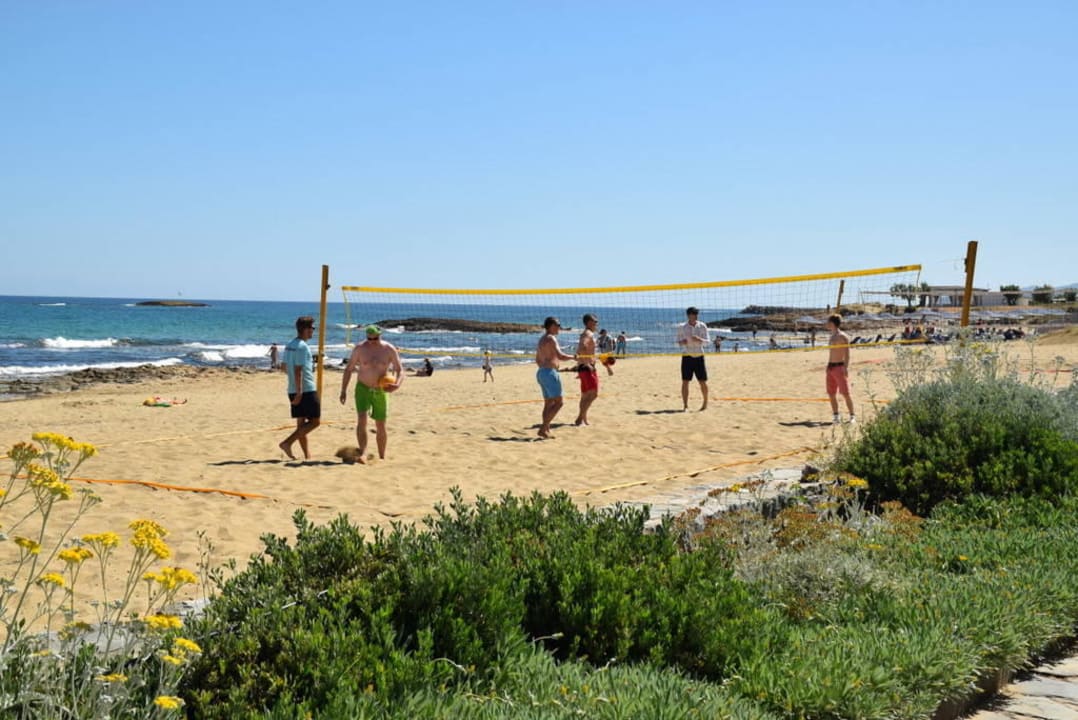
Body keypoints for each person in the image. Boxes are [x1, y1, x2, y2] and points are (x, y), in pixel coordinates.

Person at [339, 325, 403, 462]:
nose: (372, 341)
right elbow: (349, 369)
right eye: (370, 338)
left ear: (381, 335)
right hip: (363, 388)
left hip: (381, 390)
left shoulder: (389, 349)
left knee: (381, 424)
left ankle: (382, 456)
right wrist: (343, 390)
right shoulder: (360, 348)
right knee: (362, 419)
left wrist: (397, 384)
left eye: (375, 338)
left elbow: (400, 369)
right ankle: (363, 453)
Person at [278, 317, 320, 460]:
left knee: (301, 425)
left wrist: (294, 385)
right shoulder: (302, 346)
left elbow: (283, 367)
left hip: (292, 388)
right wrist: (299, 391)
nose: (313, 331)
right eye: (312, 328)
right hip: (305, 389)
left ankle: (307, 456)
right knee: (315, 422)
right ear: (306, 329)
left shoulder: (290, 345)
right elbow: (298, 370)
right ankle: (287, 443)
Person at [535, 316, 575, 439]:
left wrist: (546, 367)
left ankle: (546, 430)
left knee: (548, 404)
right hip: (549, 373)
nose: (559, 327)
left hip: (541, 372)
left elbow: (537, 359)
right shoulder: (551, 338)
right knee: (559, 402)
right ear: (551, 326)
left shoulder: (542, 339)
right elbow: (560, 356)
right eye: (558, 325)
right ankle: (543, 428)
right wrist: (574, 357)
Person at [573, 313, 614, 426]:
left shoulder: (586, 333)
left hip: (583, 367)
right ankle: (579, 418)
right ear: (589, 323)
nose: (597, 323)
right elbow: (581, 348)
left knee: (585, 395)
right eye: (595, 321)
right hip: (587, 368)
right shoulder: (588, 334)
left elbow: (581, 350)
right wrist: (587, 363)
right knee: (593, 394)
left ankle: (583, 419)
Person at [677, 306, 710, 411]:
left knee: (702, 381)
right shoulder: (682, 327)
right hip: (687, 356)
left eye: (696, 314)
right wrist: (682, 342)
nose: (695, 316)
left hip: (699, 356)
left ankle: (705, 403)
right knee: (685, 381)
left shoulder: (702, 326)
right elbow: (677, 342)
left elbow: (707, 342)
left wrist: (699, 339)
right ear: (688, 315)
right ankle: (685, 406)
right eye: (693, 314)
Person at [825, 313, 856, 424]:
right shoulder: (831, 336)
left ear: (832, 323)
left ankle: (852, 416)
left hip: (839, 367)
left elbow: (847, 354)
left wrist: (846, 367)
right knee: (831, 393)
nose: (826, 324)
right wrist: (827, 367)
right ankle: (836, 416)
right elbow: (831, 353)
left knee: (845, 393)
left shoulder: (843, 336)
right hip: (830, 367)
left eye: (828, 322)